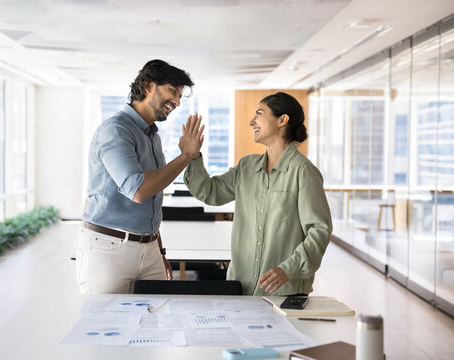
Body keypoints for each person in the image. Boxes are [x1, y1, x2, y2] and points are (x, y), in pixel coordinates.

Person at [184, 92, 332, 296]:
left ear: (282, 120)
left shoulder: (303, 171)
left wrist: (288, 269)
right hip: (240, 288)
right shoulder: (246, 167)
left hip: (282, 292)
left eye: (259, 113)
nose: (251, 121)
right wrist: (193, 156)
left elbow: (319, 230)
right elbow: (209, 192)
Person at [77, 59, 204, 294]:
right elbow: (138, 191)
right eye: (172, 92)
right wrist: (185, 156)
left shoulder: (152, 135)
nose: (176, 102)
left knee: (154, 325)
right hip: (109, 248)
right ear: (148, 86)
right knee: (105, 325)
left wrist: (159, 251)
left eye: (179, 97)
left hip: (149, 248)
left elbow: (152, 204)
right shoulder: (115, 130)